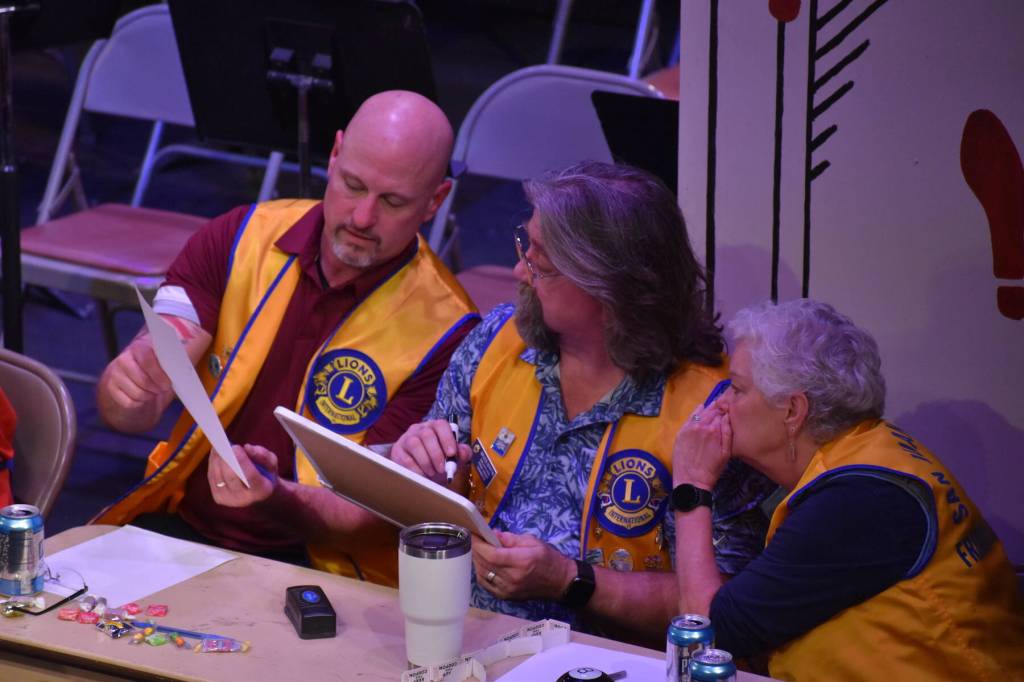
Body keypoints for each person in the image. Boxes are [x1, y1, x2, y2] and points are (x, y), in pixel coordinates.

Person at [93, 91, 480, 582]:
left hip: (325, 568)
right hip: (183, 525)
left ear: (435, 200)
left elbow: (373, 519)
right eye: (353, 185)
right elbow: (145, 381)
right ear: (334, 155)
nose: (363, 217)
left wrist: (273, 495)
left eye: (392, 201)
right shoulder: (238, 237)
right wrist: (130, 391)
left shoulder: (448, 330)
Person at [389, 161, 776, 642]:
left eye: (541, 264)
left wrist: (569, 580)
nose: (520, 272)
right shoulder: (496, 340)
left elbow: (723, 610)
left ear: (611, 290)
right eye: (525, 246)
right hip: (460, 639)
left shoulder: (710, 412)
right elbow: (432, 499)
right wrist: (421, 468)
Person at [673, 299, 1024, 680]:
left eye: (738, 389)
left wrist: (692, 482)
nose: (721, 403)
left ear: (792, 410)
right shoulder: (870, 459)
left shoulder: (859, 504)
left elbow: (705, 635)